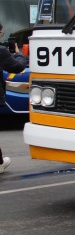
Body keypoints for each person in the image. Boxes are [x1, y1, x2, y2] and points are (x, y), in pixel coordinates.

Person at [0, 23, 29, 174]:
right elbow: (18, 67)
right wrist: (19, 54)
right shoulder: (1, 51)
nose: (2, 34)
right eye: (1, 32)